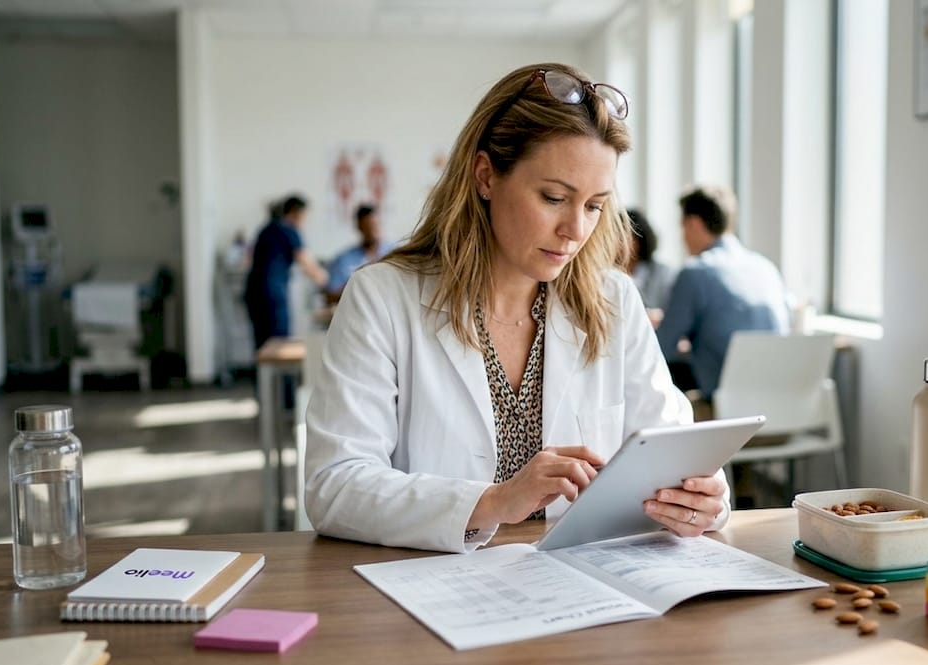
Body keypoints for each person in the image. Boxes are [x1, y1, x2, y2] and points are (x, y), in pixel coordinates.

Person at [304, 63, 730, 553]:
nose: (575, 229)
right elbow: (333, 485)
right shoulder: (382, 297)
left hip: (581, 591)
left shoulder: (612, 300)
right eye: (554, 197)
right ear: (486, 176)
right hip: (434, 595)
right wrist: (492, 501)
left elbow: (678, 450)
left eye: (594, 206)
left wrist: (706, 500)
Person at [656, 185, 790, 401]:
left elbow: (660, 349)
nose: (682, 237)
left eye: (683, 227)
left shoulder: (695, 272)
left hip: (728, 405)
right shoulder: (766, 267)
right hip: (781, 403)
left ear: (694, 224)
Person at [243, 194, 329, 349]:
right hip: (272, 295)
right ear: (297, 212)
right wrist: (326, 279)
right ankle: (280, 374)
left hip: (254, 293)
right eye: (304, 216)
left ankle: (264, 374)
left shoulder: (267, 228)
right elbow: (307, 264)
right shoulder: (289, 229)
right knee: (278, 343)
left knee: (263, 344)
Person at [324, 203, 392, 301]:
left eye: (375, 225)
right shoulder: (344, 259)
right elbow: (330, 295)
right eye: (368, 227)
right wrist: (356, 285)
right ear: (359, 227)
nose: (372, 231)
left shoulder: (394, 253)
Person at [624, 208, 678, 322]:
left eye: (625, 236)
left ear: (639, 239)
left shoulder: (663, 273)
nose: (619, 242)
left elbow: (673, 314)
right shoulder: (606, 272)